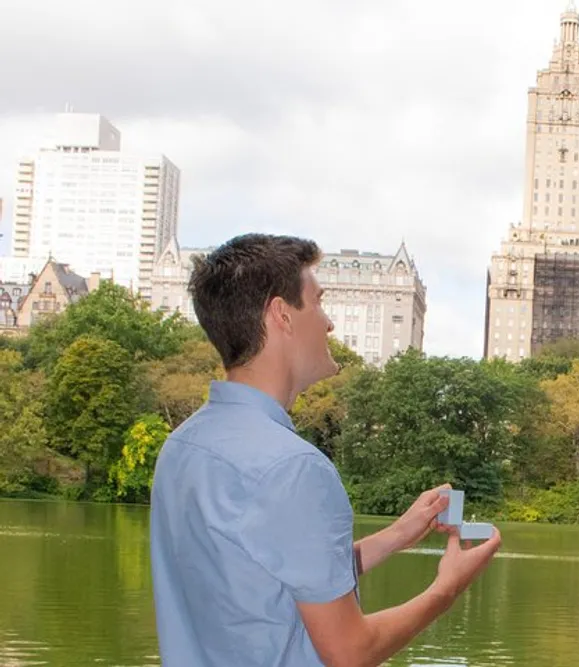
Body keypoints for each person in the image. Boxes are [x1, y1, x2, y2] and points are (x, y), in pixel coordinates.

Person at [150, 233, 501, 667]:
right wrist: (445, 589)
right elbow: (351, 651)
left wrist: (399, 534)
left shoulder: (181, 447)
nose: (329, 322)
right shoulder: (294, 468)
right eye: (317, 302)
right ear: (283, 315)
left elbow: (274, 577)